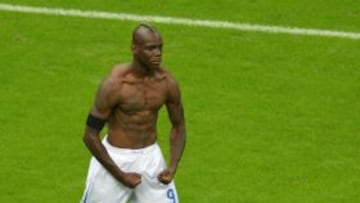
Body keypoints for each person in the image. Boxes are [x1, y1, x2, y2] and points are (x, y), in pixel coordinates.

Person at [80, 24, 186, 203]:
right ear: (134, 48)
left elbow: (178, 125)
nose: (158, 53)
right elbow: (90, 135)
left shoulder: (166, 83)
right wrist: (121, 175)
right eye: (150, 48)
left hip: (152, 160)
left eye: (160, 47)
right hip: (115, 159)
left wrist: (173, 166)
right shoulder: (115, 85)